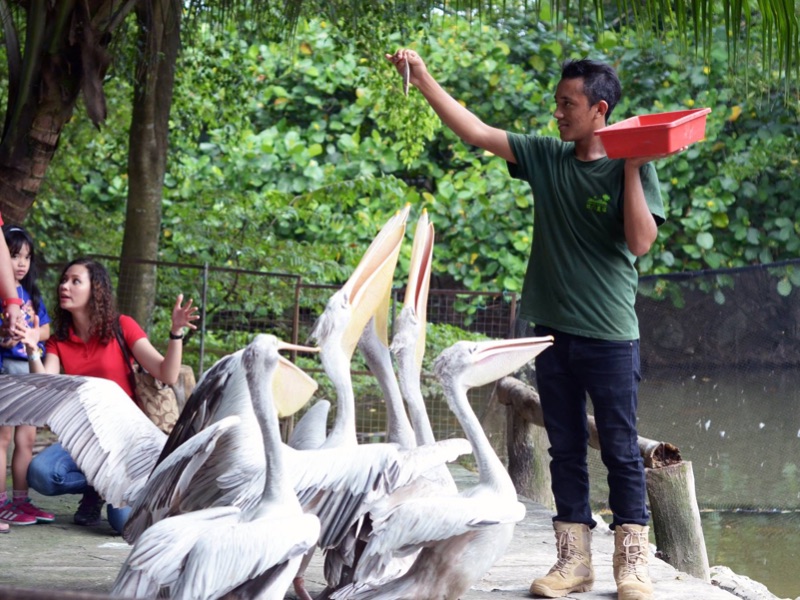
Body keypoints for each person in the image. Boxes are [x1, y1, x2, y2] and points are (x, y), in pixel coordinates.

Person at [386, 50, 669, 600]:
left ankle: (632, 567)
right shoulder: (545, 156)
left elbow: (640, 242)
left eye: (568, 104)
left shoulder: (632, 165)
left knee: (618, 446)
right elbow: (475, 131)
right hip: (551, 334)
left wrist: (633, 165)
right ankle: (573, 562)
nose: (557, 113)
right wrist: (422, 78)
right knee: (563, 446)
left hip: (612, 335)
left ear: (599, 109)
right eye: (557, 103)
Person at [16, 257, 198, 535]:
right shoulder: (59, 340)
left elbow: (167, 374)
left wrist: (175, 333)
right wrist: (32, 349)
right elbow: (46, 385)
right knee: (42, 474)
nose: (65, 286)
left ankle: (110, 491)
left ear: (95, 289)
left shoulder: (122, 327)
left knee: (123, 523)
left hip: (127, 439)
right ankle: (96, 488)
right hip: (84, 437)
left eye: (75, 281)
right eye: (64, 280)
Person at [0, 225, 54, 530]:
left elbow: (46, 328)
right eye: (13, 255)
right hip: (7, 369)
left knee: (27, 437)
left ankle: (21, 499)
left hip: (30, 372)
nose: (21, 263)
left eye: (26, 257)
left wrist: (34, 332)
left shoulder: (31, 293)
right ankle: (1, 502)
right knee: (3, 437)